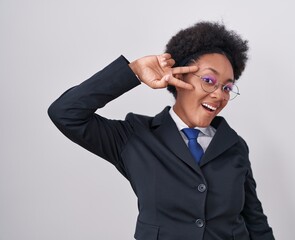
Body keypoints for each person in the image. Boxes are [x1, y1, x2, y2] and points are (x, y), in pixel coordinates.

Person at [48, 21, 275, 240]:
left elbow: (254, 221)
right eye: (208, 80)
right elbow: (65, 113)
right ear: (178, 75)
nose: (219, 94)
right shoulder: (135, 137)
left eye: (227, 87)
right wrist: (133, 71)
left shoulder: (234, 145)